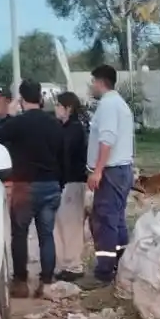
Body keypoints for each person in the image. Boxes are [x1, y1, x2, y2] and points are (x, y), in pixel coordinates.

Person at [0, 79, 65, 297]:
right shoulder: (54, 124)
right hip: (50, 185)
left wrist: (9, 116)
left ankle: (20, 283)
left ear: (20, 100)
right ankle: (46, 282)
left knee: (19, 234)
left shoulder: (18, 123)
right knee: (46, 235)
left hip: (25, 186)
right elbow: (62, 153)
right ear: (40, 98)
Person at [82, 64, 134, 286]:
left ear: (100, 81)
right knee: (117, 219)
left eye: (93, 81)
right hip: (121, 169)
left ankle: (104, 273)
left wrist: (98, 171)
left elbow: (107, 140)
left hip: (111, 170)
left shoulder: (109, 106)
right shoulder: (119, 104)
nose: (91, 86)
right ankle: (121, 263)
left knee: (105, 221)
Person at [53, 91, 90, 282]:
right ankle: (65, 264)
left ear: (68, 108)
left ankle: (74, 265)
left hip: (72, 181)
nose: (56, 109)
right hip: (65, 181)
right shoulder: (65, 127)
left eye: (58, 105)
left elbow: (65, 156)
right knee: (62, 224)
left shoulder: (74, 129)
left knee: (71, 225)